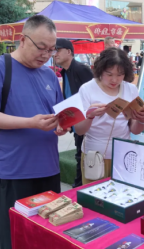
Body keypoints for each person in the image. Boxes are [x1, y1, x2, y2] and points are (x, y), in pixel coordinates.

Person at [0, 15, 67, 249]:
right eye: (41, 47)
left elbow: (58, 113)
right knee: (15, 239)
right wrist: (31, 122)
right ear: (22, 39)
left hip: (49, 167)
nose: (46, 55)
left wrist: (61, 125)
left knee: (48, 236)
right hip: (15, 170)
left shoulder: (49, 74)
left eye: (51, 49)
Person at [74, 47, 144, 185]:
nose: (114, 79)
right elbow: (79, 130)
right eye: (109, 74)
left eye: (120, 75)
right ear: (100, 70)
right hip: (95, 155)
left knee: (123, 195)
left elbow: (135, 129)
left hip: (124, 154)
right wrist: (90, 116)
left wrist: (142, 120)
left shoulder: (130, 89)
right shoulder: (87, 89)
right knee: (96, 198)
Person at [54, 38, 93, 188]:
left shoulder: (81, 69)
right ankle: (78, 187)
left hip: (87, 122)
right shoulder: (64, 72)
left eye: (57, 50)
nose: (54, 54)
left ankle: (78, 188)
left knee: (83, 157)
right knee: (79, 156)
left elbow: (93, 95)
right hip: (75, 122)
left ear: (69, 51)